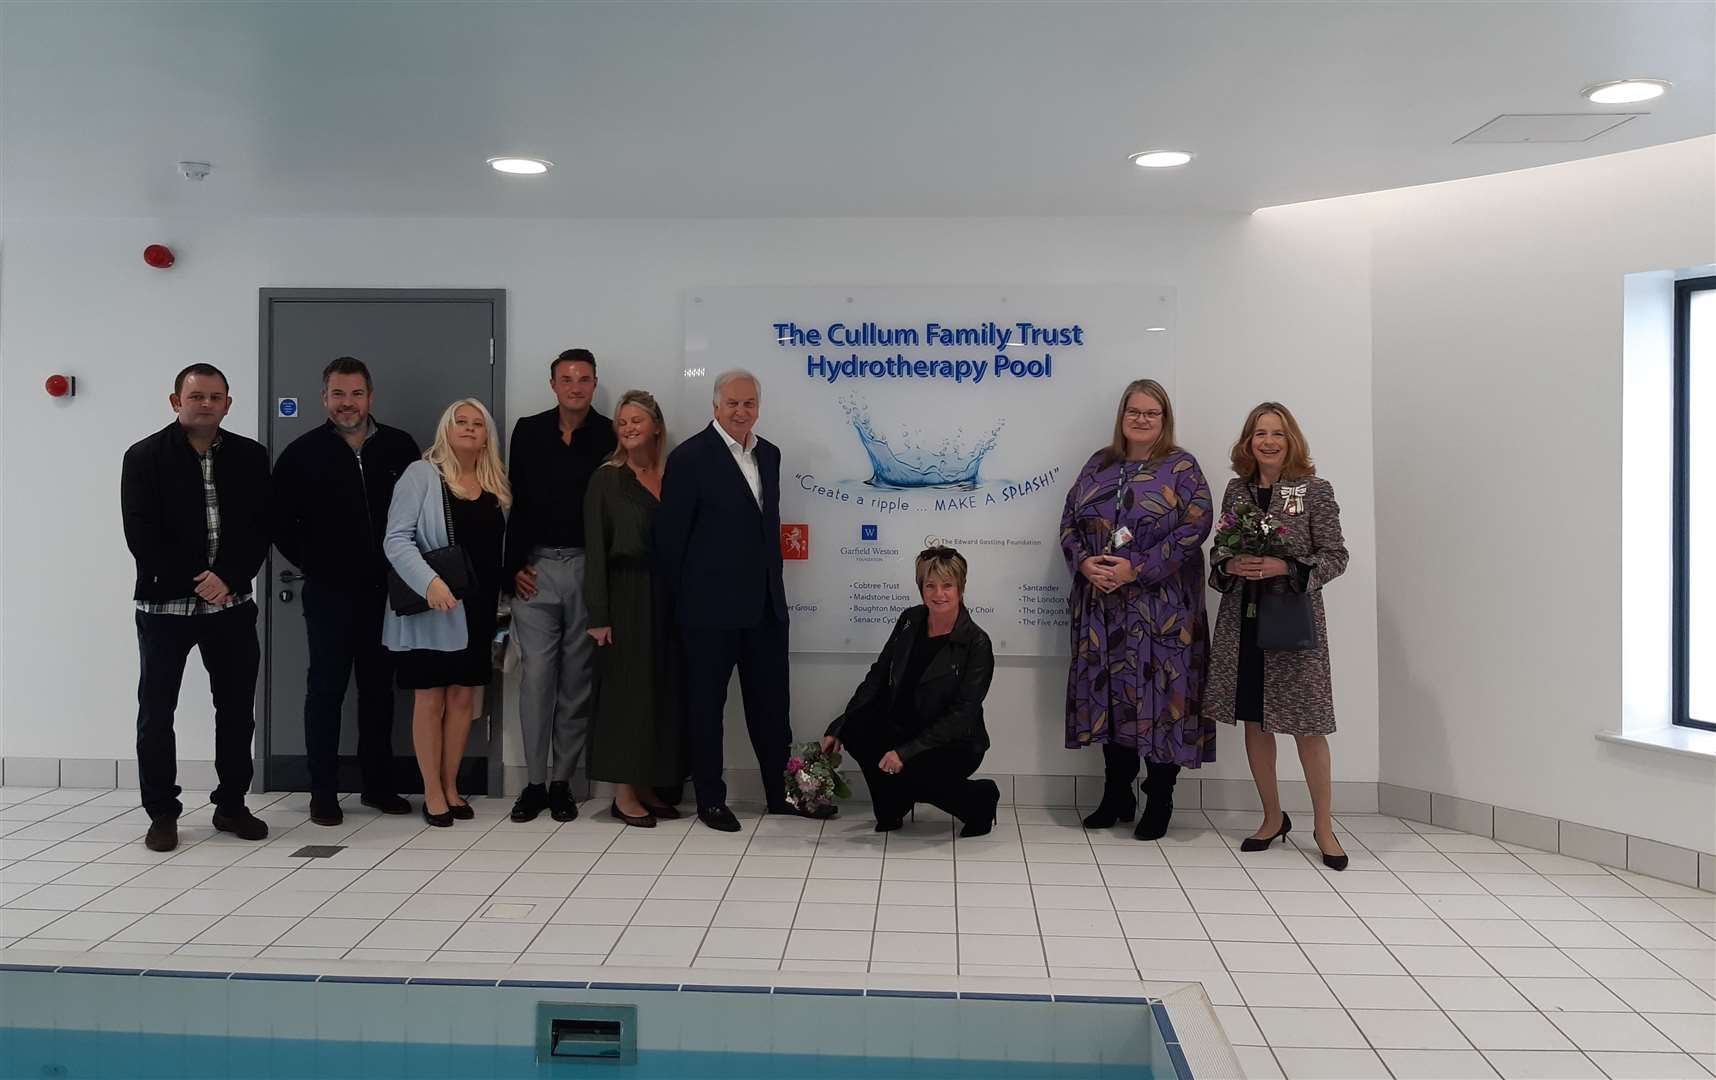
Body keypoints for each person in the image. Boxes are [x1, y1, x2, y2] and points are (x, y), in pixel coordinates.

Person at [657, 369, 832, 832]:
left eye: (749, 404)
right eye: (732, 403)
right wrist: (679, 612)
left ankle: (783, 796)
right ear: (715, 406)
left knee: (774, 709)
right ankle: (710, 800)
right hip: (707, 613)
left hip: (766, 610)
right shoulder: (689, 458)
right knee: (705, 709)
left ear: (759, 407)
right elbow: (671, 544)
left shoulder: (769, 455)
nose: (741, 412)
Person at [121, 363, 271, 852]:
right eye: (196, 396)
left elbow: (258, 528)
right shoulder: (143, 457)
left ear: (229, 403)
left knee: (234, 711)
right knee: (156, 712)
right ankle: (162, 812)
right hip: (165, 608)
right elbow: (142, 534)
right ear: (175, 402)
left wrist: (227, 577)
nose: (205, 404)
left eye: (215, 397)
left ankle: (231, 805)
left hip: (231, 606)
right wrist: (199, 578)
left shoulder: (250, 456)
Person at [1061, 379, 1214, 841]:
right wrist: (1084, 562)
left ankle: (1160, 798)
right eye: (1134, 411)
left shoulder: (1182, 467)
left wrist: (1137, 569)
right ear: (1122, 415)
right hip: (1102, 609)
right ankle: (1117, 794)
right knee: (1110, 697)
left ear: (1164, 419)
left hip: (1161, 611)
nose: (1142, 419)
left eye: (1152, 412)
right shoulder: (1098, 464)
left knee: (1161, 700)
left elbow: (1195, 528)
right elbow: (1069, 521)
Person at [271, 357, 421, 826]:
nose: (347, 403)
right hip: (329, 594)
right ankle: (323, 792)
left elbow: (419, 513)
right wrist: (317, 563)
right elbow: (279, 524)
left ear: (370, 397)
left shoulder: (400, 447)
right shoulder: (300, 454)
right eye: (338, 394)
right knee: (326, 691)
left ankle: (378, 785)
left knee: (379, 691)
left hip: (387, 593)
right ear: (324, 398)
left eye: (356, 393)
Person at [1206, 402, 1350, 870]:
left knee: (1307, 726)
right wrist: (1230, 565)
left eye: (1278, 434)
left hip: (1292, 623)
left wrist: (1286, 566)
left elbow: (1335, 556)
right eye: (1259, 433)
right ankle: (1272, 817)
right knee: (1254, 721)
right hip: (1243, 621)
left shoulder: (1314, 491)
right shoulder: (1236, 490)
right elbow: (1217, 552)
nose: (1268, 441)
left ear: (1292, 442)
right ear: (1247, 442)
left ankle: (1324, 825)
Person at [502, 348, 617, 824]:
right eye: (567, 379)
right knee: (536, 681)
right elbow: (515, 500)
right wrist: (511, 568)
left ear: (594, 384)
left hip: (588, 569)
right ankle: (532, 783)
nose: (575, 387)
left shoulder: (610, 434)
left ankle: (562, 782)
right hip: (537, 570)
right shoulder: (528, 431)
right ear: (553, 384)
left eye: (584, 379)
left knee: (576, 683)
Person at [382, 399, 509, 827]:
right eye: (462, 422)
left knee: (462, 698)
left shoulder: (494, 482)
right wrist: (431, 584)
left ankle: (451, 786)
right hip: (434, 605)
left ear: (487, 434)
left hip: (477, 607)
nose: (470, 429)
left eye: (478, 424)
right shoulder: (423, 474)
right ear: (446, 429)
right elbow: (396, 540)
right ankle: (432, 792)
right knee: (430, 697)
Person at [822, 547, 1000, 837]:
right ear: (921, 587)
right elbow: (878, 676)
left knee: (917, 775)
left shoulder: (977, 643)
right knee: (855, 727)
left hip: (953, 743)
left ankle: (980, 800)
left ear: (961, 588)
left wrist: (905, 753)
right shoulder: (910, 620)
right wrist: (839, 726)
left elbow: (962, 715)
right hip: (904, 729)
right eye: (930, 585)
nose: (938, 594)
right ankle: (891, 804)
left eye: (947, 586)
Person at [583, 390, 683, 827]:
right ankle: (623, 794)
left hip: (670, 596)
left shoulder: (673, 475)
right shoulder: (606, 479)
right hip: (625, 594)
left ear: (656, 426)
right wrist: (599, 615)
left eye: (637, 420)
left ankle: (646, 784)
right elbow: (596, 550)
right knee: (626, 693)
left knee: (659, 692)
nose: (628, 428)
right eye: (622, 422)